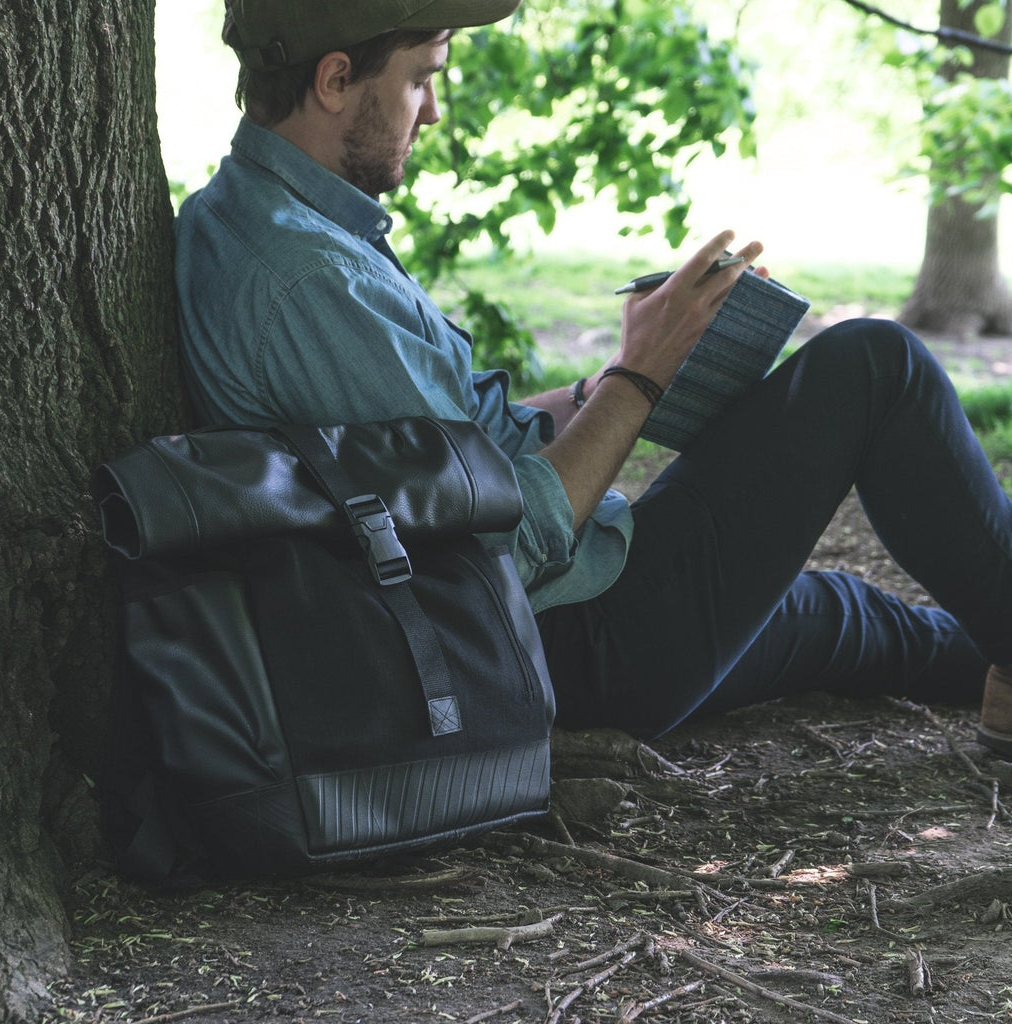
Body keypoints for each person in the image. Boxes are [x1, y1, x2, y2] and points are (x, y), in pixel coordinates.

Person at [176, 0, 1012, 756]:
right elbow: (506, 546)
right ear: (333, 81)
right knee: (877, 365)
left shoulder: (257, 216)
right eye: (421, 81)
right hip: (545, 643)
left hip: (536, 625)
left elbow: (453, 442)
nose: (432, 110)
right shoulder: (306, 281)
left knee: (840, 616)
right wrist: (640, 378)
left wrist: (608, 379)